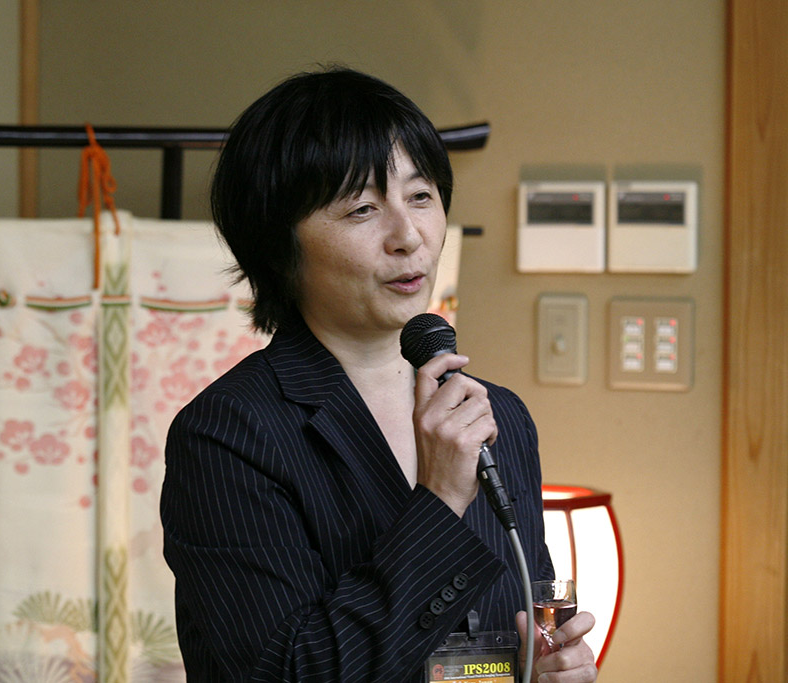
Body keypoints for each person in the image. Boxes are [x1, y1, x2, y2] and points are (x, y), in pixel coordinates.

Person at [160, 66, 597, 682]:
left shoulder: (497, 415)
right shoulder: (228, 435)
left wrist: (546, 671)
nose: (409, 236)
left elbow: (517, 629)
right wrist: (440, 502)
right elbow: (290, 672)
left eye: (420, 197)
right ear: (278, 245)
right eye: (363, 209)